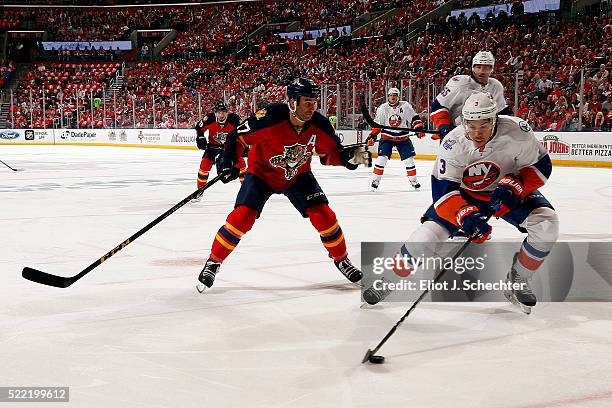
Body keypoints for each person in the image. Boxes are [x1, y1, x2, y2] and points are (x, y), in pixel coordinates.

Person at [196, 78, 371, 294]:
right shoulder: (269, 118)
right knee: (241, 217)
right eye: (307, 102)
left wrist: (349, 159)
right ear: (292, 102)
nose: (312, 107)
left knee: (325, 216)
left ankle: (341, 259)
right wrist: (227, 162)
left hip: (298, 175)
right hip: (261, 175)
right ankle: (213, 261)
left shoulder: (319, 124)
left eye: (314, 102)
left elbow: (329, 154)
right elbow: (237, 137)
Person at [398, 92, 559, 314]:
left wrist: (518, 184)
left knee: (547, 225)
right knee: (424, 237)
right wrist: (466, 216)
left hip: (507, 189)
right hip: (465, 194)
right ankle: (390, 277)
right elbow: (443, 193)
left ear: (495, 119)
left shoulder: (517, 132)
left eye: (483, 126)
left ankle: (519, 278)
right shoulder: (453, 143)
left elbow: (542, 166)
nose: (476, 133)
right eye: (470, 126)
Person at [431, 51, 513, 141]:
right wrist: (443, 125)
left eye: (486, 68)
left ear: (491, 69)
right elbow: (438, 105)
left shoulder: (496, 86)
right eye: (478, 67)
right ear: (473, 68)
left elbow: (501, 112)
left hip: (483, 134)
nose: (481, 71)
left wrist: (510, 127)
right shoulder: (460, 84)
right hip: (456, 133)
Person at [370, 87, 426, 191]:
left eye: (395, 95)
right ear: (388, 96)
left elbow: (414, 118)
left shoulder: (405, 106)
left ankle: (413, 181)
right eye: (391, 95)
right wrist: (372, 136)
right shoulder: (382, 108)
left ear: (398, 96)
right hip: (387, 137)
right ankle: (375, 180)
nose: (392, 97)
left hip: (402, 137)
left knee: (409, 161)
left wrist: (419, 129)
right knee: (381, 159)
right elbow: (378, 125)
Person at [193, 100, 245, 201]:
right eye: (219, 112)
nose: (221, 114)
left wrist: (243, 145)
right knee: (204, 166)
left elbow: (243, 131)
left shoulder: (234, 119)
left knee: (242, 165)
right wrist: (200, 137)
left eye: (223, 112)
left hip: (229, 148)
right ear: (215, 113)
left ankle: (247, 189)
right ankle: (200, 191)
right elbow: (198, 127)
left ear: (227, 112)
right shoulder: (209, 118)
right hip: (213, 147)